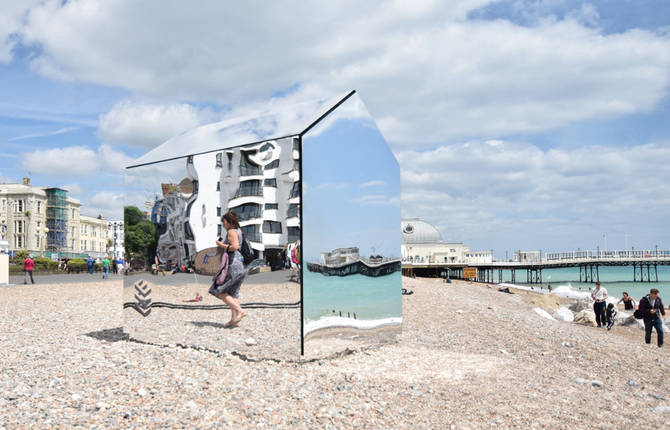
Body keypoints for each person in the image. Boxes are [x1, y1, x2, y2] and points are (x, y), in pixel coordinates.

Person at [208, 211, 247, 328]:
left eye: (224, 222)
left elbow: (235, 247)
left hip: (232, 264)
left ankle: (240, 311)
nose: (223, 224)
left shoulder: (231, 232)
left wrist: (221, 245)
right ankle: (234, 320)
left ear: (229, 222)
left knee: (219, 290)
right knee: (234, 293)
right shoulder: (239, 231)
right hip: (240, 264)